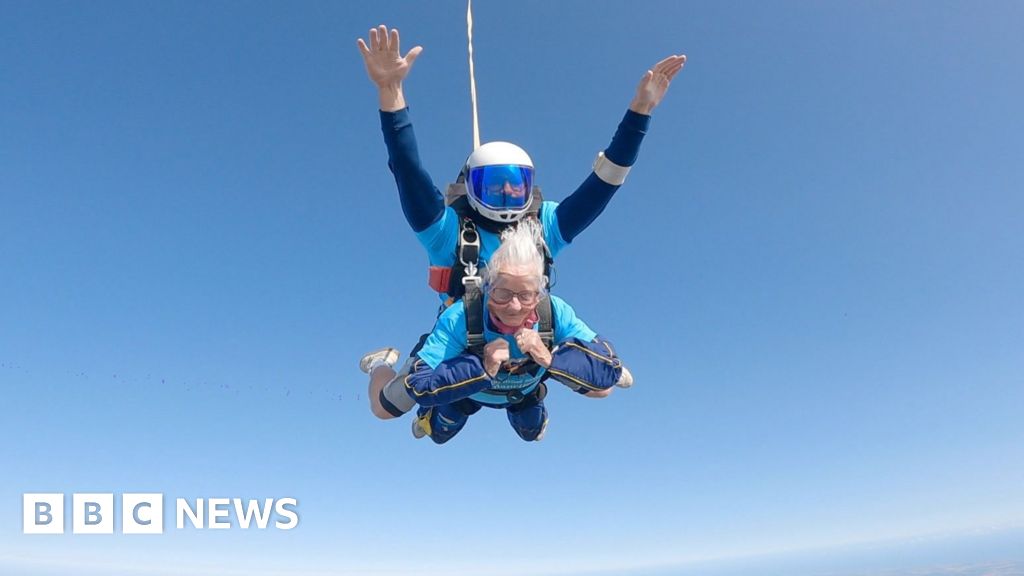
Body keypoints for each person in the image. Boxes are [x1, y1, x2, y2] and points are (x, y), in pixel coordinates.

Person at [355, 25, 683, 420]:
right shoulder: (449, 232)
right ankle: (380, 364)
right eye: (494, 186)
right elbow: (408, 172)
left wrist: (640, 112)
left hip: (530, 337)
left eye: (517, 186)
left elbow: (606, 182)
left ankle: (537, 388)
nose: (508, 195)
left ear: (532, 188)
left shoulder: (544, 226)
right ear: (470, 186)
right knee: (387, 408)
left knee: (601, 391)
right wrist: (390, 94)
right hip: (464, 340)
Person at [370, 219, 627, 443]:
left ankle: (543, 389)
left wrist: (549, 358)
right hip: (466, 388)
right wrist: (481, 366)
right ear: (487, 288)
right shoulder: (461, 315)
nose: (514, 307)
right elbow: (418, 383)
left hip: (521, 391)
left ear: (540, 294)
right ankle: (379, 363)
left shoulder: (554, 312)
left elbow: (608, 371)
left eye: (526, 295)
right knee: (394, 413)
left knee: (575, 405)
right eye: (502, 293)